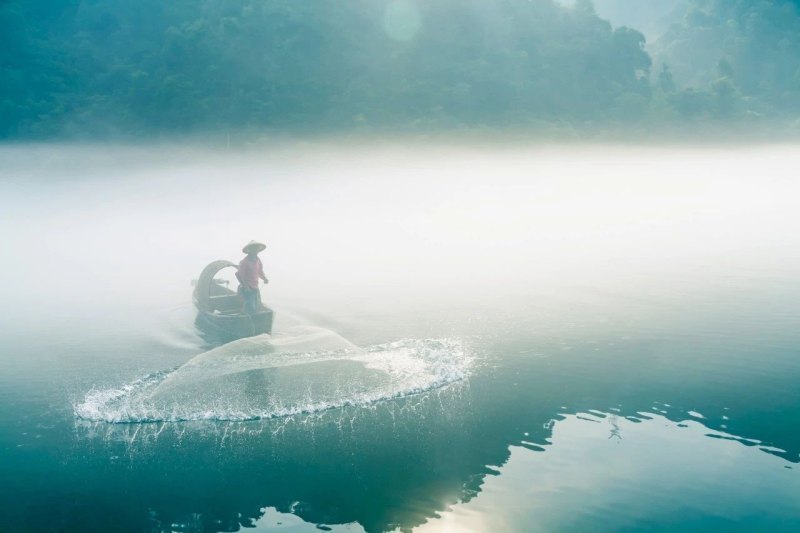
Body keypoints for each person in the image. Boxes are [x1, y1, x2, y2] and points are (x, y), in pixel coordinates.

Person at [236, 240, 268, 315]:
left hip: (255, 287)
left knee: (256, 305)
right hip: (247, 288)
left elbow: (260, 271)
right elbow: (240, 275)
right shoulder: (244, 262)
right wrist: (246, 287)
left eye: (257, 249)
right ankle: (245, 319)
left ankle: (251, 318)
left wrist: (265, 278)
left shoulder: (258, 260)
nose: (256, 250)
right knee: (250, 306)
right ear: (250, 250)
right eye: (254, 248)